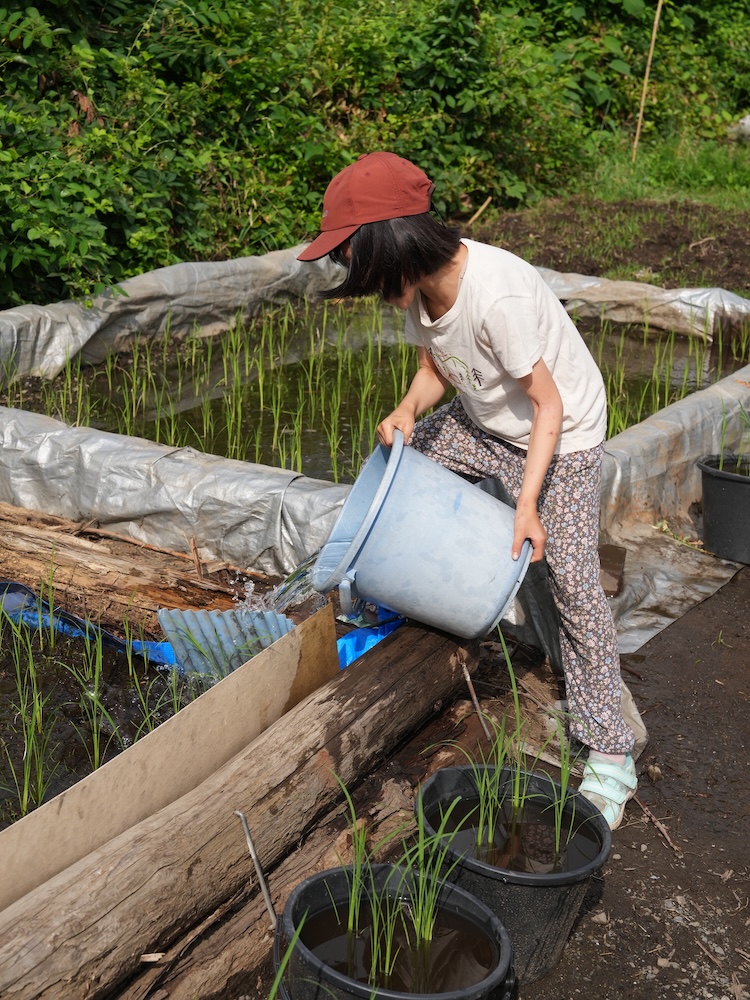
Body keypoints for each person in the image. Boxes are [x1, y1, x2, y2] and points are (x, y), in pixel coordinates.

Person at [297, 151, 638, 830]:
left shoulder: (497, 296)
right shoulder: (419, 290)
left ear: (393, 244)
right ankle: (405, 603)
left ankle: (612, 750)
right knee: (401, 475)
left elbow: (549, 408)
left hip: (558, 439)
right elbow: (437, 367)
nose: (362, 283)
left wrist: (527, 504)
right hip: (484, 419)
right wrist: (407, 411)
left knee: (572, 584)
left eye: (359, 263)